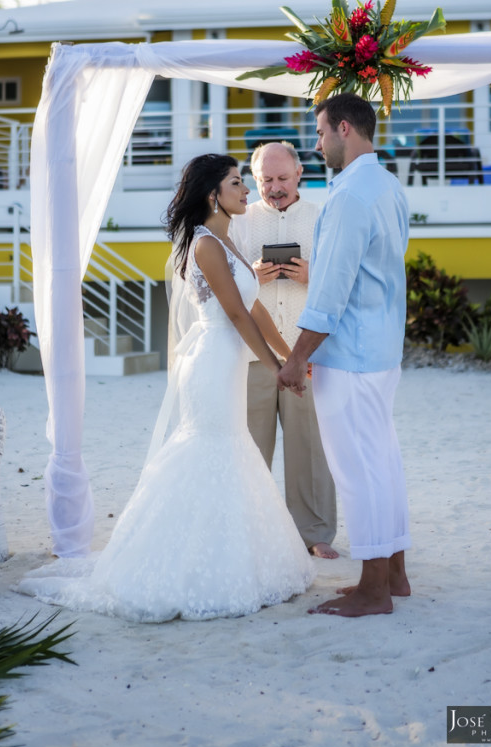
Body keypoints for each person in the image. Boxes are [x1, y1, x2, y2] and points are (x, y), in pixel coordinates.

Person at [17, 154, 315, 622]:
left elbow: (255, 310)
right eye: (237, 183)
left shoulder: (228, 239)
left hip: (230, 362)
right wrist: (278, 368)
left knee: (230, 452)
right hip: (213, 364)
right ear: (213, 194)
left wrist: (290, 356)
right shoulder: (206, 246)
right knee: (210, 452)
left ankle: (230, 559)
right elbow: (235, 315)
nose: (246, 191)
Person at [277, 94, 411, 618]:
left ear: (345, 129)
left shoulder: (350, 195)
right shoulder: (388, 185)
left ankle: (374, 589)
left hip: (352, 354)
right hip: (380, 350)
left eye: (320, 134)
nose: (317, 144)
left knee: (358, 471)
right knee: (383, 462)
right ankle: (395, 574)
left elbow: (330, 289)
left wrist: (295, 358)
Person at [230, 142, 337, 559]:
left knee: (310, 446)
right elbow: (223, 286)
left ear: (299, 176)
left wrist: (313, 276)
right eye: (265, 180)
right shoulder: (239, 222)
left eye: (281, 179)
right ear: (255, 180)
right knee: (249, 448)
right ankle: (250, 530)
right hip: (253, 354)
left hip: (305, 352)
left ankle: (315, 534)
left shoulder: (322, 217)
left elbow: (342, 278)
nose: (274, 188)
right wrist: (251, 276)